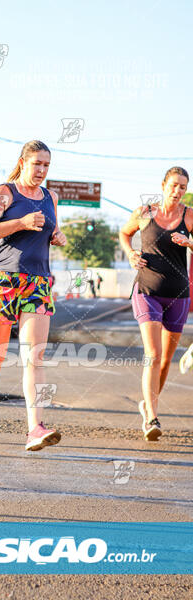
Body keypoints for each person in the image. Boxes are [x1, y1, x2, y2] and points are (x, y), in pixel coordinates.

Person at [0, 139, 67, 451]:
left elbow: (49, 231)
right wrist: (21, 222)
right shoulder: (4, 192)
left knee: (34, 357)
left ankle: (34, 428)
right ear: (23, 162)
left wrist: (56, 235)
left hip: (37, 283)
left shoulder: (50, 197)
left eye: (46, 165)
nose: (41, 170)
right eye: (36, 163)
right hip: (3, 281)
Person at [119, 166, 193, 441]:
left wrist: (189, 243)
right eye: (174, 185)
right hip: (147, 290)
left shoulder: (189, 216)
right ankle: (151, 417)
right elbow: (124, 234)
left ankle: (147, 404)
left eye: (183, 187)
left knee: (165, 361)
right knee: (153, 353)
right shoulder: (145, 212)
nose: (178, 191)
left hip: (178, 296)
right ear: (163, 185)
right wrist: (130, 253)